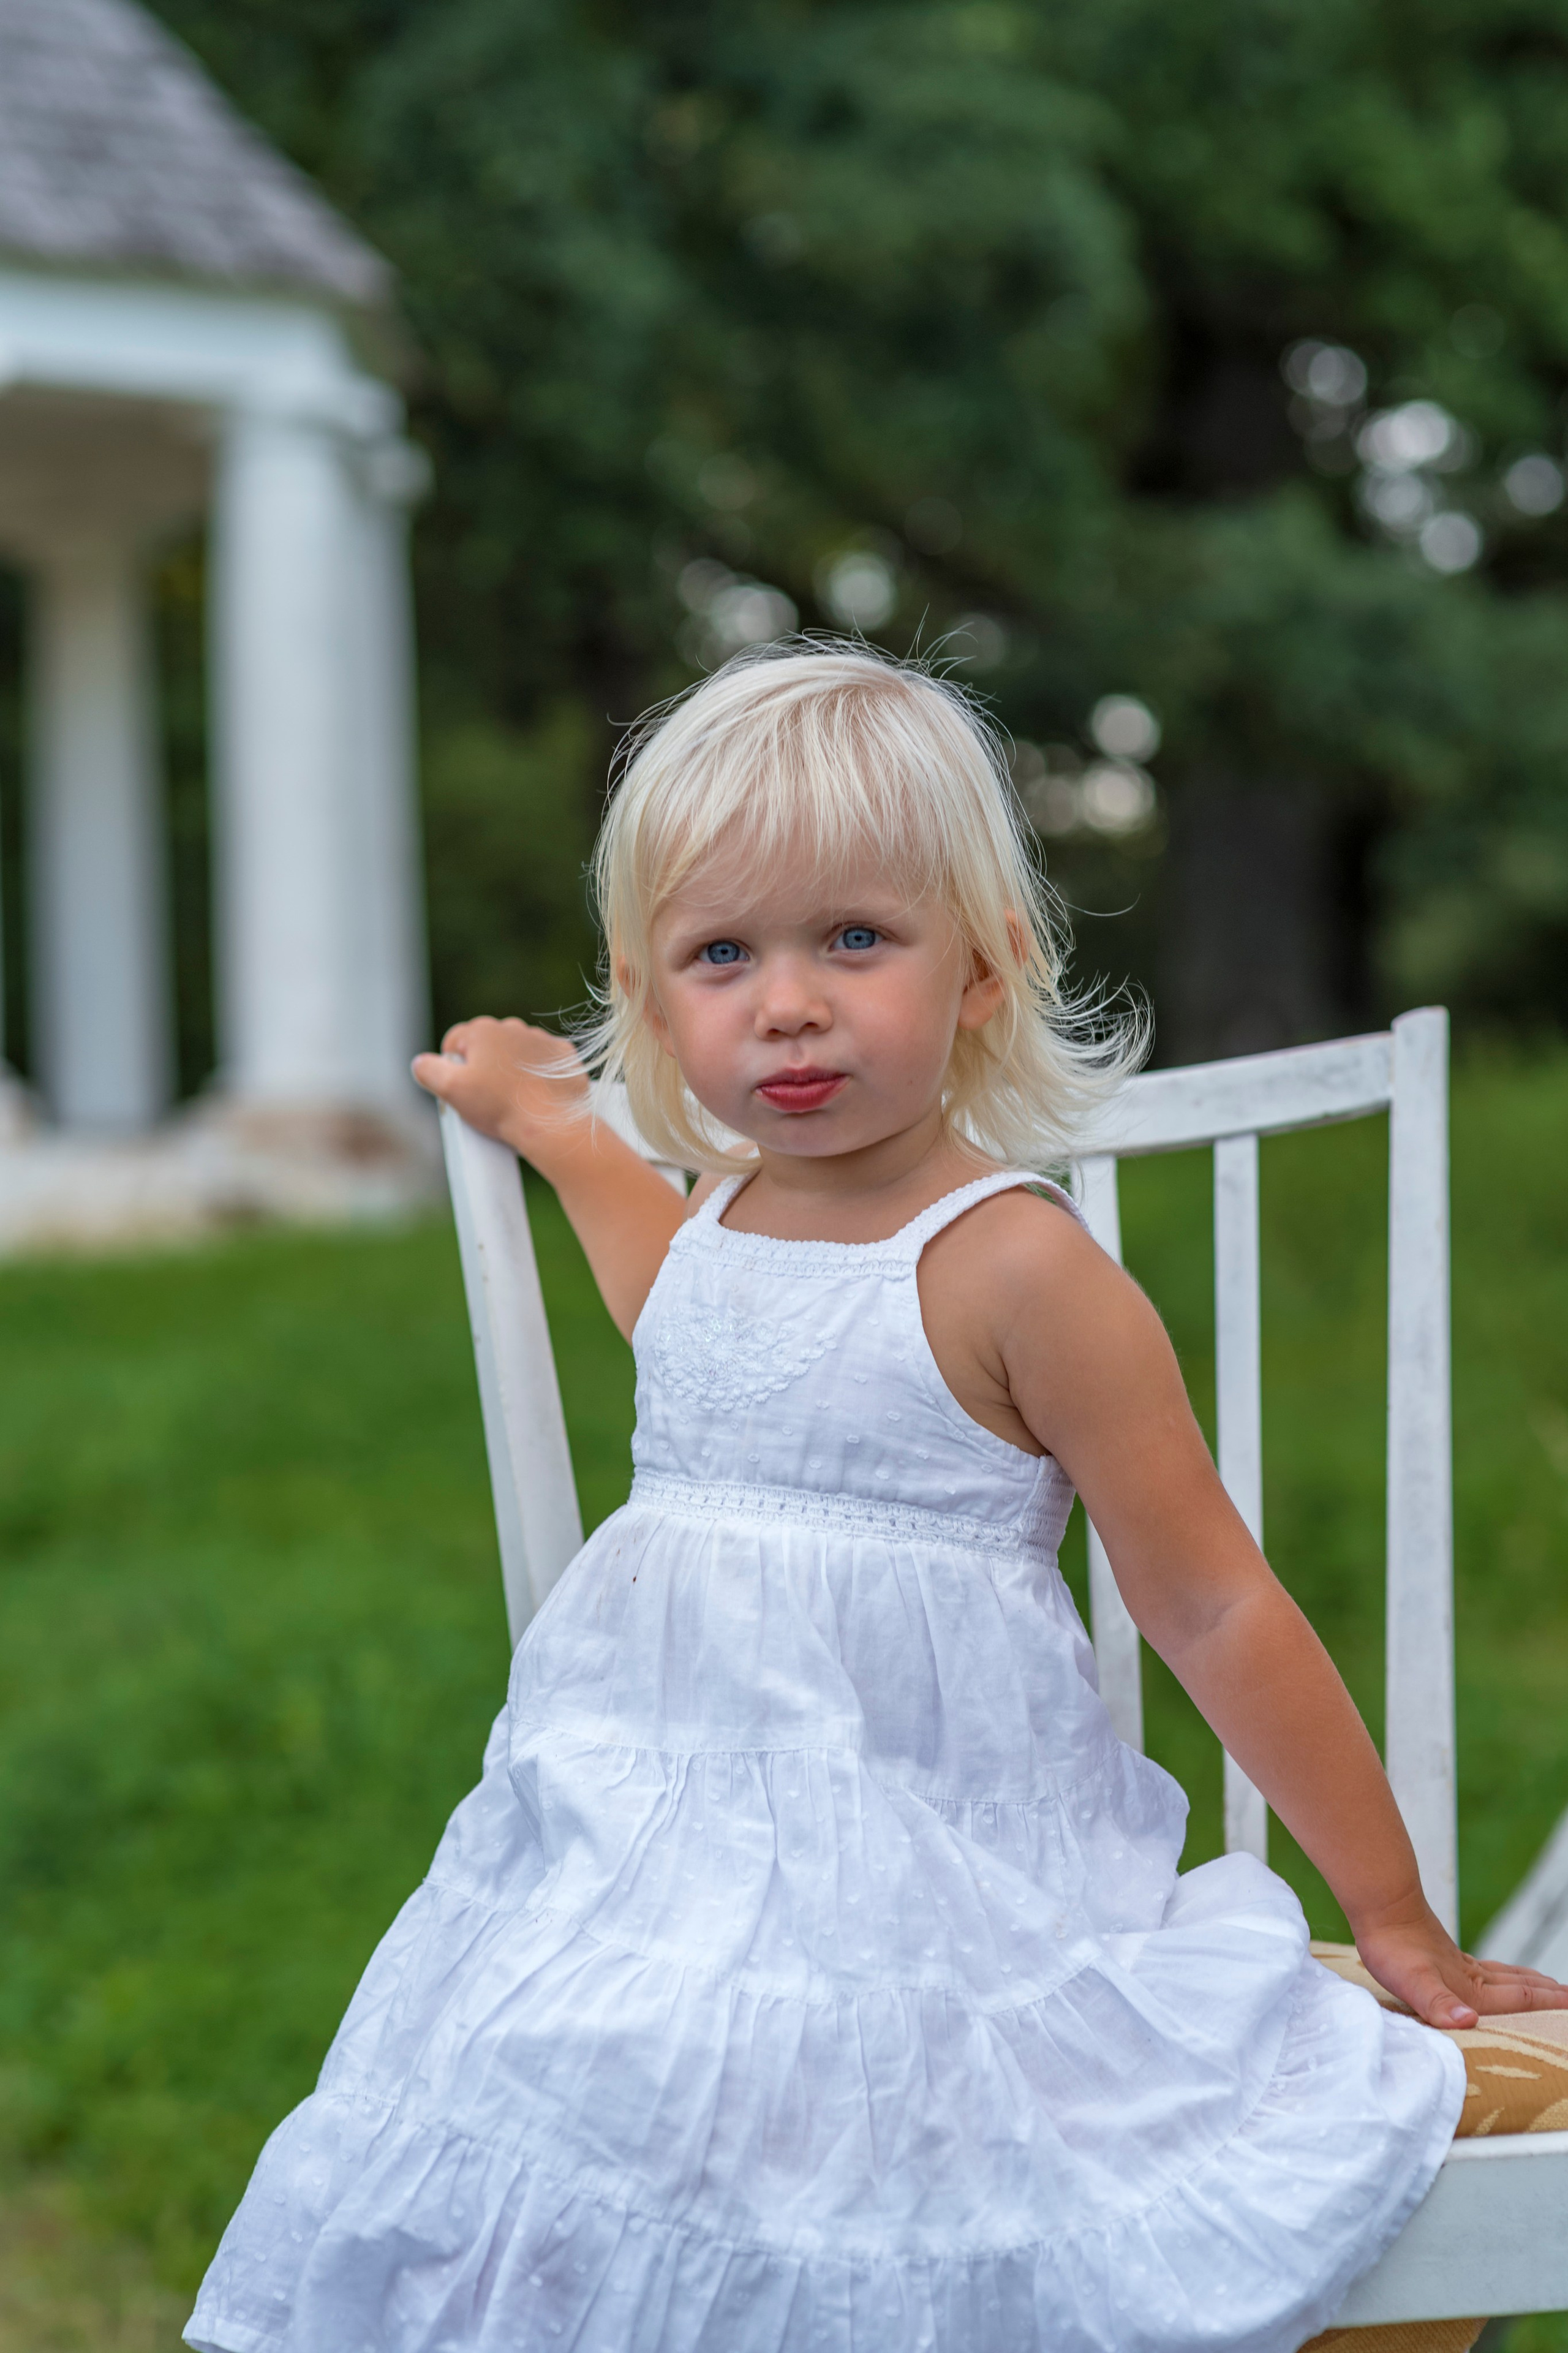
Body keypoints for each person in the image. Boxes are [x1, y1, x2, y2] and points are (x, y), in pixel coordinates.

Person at [187, 644, 1568, 2353]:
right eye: (722, 954)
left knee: (879, 2142)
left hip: (936, 1887)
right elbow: (662, 1285)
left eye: (855, 937)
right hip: (644, 1878)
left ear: (981, 970)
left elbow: (1212, 1601)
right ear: (649, 996)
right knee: (536, 2092)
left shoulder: (1017, 1271)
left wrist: (1392, 1912)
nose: (788, 1000)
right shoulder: (719, 1229)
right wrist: (550, 1121)